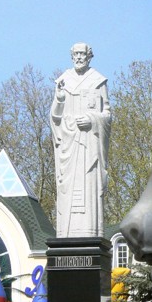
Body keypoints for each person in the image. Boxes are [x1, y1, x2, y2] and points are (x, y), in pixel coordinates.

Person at [50, 42, 111, 238]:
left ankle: (90, 231)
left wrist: (92, 120)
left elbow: (107, 115)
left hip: (88, 145)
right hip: (68, 144)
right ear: (71, 56)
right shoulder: (63, 81)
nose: (78, 57)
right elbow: (55, 118)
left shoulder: (98, 81)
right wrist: (60, 98)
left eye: (82, 54)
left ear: (89, 56)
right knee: (67, 188)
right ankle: (66, 234)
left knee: (88, 188)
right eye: (75, 54)